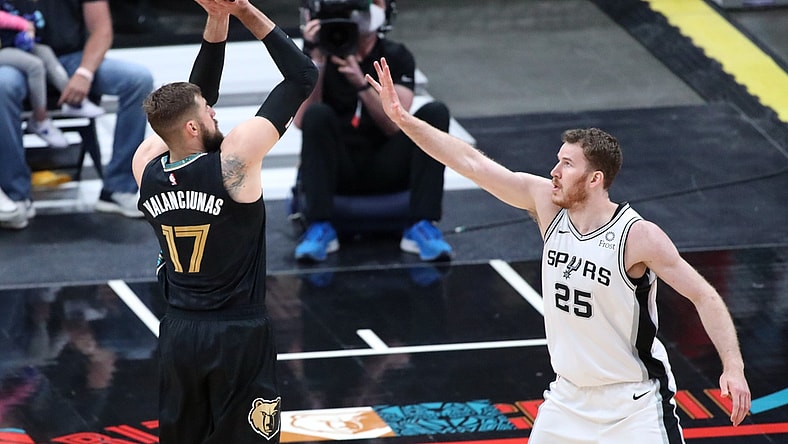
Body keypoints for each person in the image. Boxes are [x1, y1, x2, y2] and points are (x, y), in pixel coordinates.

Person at [367, 57, 752, 443]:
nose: (554, 171)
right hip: (568, 399)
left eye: (566, 164)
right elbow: (471, 163)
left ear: (595, 179)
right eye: (557, 160)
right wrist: (403, 119)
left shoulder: (638, 237)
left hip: (632, 404)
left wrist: (732, 367)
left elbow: (704, 294)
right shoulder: (547, 205)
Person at [132, 0, 316, 442]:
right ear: (194, 128)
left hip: (179, 330)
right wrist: (243, 10)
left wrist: (216, 21)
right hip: (237, 332)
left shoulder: (146, 167)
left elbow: (192, 101)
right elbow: (302, 76)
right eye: (207, 112)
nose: (214, 111)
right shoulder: (233, 162)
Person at [293, 0, 453, 262]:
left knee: (435, 113)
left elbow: (394, 124)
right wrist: (317, 63)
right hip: (339, 166)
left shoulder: (396, 55)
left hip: (386, 162)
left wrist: (361, 84)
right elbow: (301, 120)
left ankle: (422, 226)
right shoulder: (319, 53)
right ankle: (320, 226)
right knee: (317, 114)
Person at [0, 0, 154, 230]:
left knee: (138, 79)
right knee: (3, 84)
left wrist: (84, 72)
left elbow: (102, 30)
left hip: (72, 59)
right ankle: (16, 195)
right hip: (18, 58)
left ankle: (119, 189)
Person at [0, 7, 105, 149]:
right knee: (35, 66)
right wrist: (23, 24)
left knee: (45, 52)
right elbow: (5, 19)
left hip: (12, 42)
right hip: (4, 50)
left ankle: (73, 100)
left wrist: (28, 26)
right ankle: (40, 118)